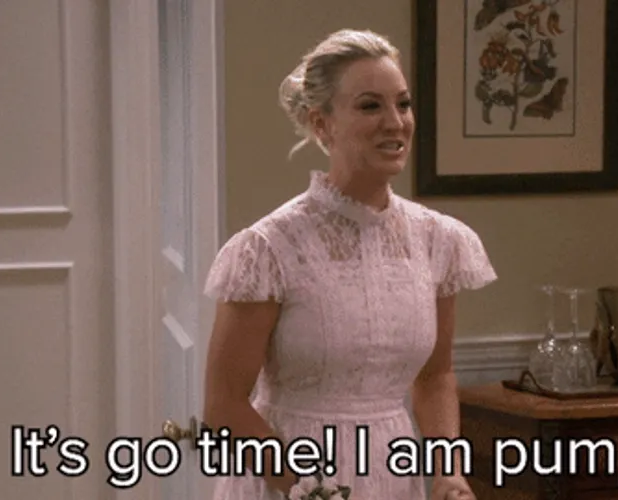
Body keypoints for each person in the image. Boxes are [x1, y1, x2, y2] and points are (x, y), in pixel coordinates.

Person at [202, 28, 497, 500]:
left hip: (393, 477)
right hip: (288, 480)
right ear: (322, 125)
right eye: (370, 106)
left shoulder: (437, 240)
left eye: (403, 104)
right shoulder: (268, 249)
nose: (395, 122)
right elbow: (224, 407)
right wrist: (306, 489)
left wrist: (448, 471)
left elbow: (435, 376)